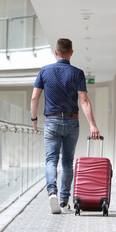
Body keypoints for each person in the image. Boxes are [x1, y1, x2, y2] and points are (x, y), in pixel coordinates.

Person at [30, 38, 100, 214]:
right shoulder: (77, 73)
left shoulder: (44, 71)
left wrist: (34, 119)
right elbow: (83, 100)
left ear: (56, 52)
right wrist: (93, 125)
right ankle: (63, 201)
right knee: (68, 163)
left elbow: (34, 98)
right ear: (71, 52)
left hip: (51, 121)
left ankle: (52, 192)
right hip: (71, 121)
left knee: (51, 160)